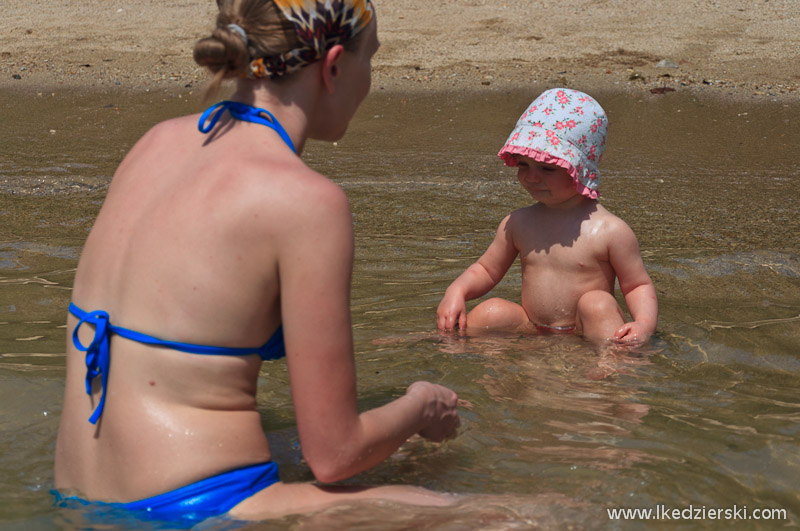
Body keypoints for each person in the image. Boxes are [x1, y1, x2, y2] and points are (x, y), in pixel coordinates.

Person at [53, 0, 460, 526]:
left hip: (77, 496)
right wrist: (423, 406)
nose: (370, 80)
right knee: (523, 513)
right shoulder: (306, 203)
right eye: (371, 60)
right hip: (198, 503)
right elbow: (335, 455)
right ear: (333, 66)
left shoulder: (154, 144)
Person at [436, 88, 657, 347]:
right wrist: (457, 291)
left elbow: (636, 286)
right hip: (531, 326)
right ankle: (443, 342)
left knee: (597, 304)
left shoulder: (610, 231)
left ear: (579, 170)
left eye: (547, 168)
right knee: (491, 311)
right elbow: (486, 269)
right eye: (523, 165)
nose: (531, 177)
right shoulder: (518, 223)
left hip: (586, 331)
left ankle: (611, 369)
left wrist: (643, 323)